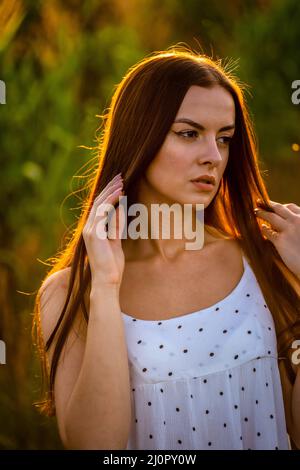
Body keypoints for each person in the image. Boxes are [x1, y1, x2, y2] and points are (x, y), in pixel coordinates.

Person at [32, 46, 300, 450]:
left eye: (224, 139)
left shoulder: (262, 263)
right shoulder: (69, 294)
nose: (213, 157)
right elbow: (95, 446)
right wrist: (105, 286)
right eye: (189, 133)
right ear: (140, 136)